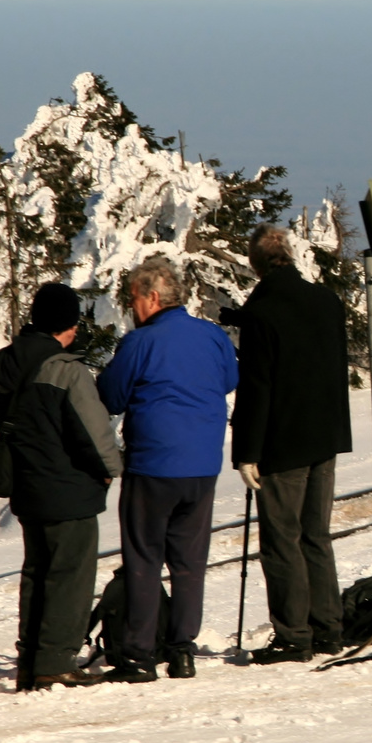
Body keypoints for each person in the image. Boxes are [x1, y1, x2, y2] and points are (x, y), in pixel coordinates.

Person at [97, 258, 239, 681]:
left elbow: (111, 396)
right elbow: (230, 379)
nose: (130, 307)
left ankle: (139, 655)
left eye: (133, 299)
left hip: (153, 464)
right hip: (202, 465)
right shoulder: (212, 336)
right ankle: (182, 651)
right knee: (189, 563)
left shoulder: (140, 343)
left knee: (144, 558)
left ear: (152, 297)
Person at [0, 282, 122, 691]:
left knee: (36, 572)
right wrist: (111, 468)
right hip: (68, 487)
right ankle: (56, 662)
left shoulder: (5, 362)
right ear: (71, 324)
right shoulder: (66, 369)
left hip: (26, 485)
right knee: (69, 576)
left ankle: (30, 660)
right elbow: (94, 434)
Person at [230, 225, 353, 664]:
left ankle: (294, 635)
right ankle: (328, 628)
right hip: (326, 434)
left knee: (282, 540)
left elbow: (257, 386)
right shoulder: (325, 301)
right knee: (316, 536)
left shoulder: (263, 312)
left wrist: (247, 450)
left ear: (255, 263)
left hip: (283, 440)